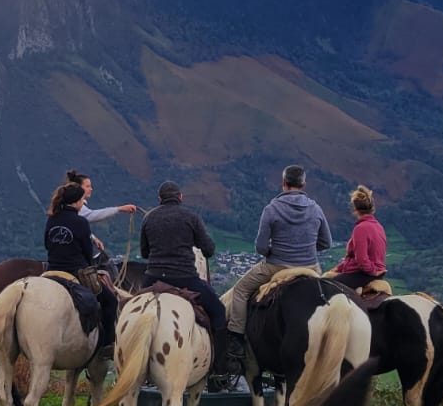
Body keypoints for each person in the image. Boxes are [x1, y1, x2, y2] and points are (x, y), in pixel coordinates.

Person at [224, 165, 333, 358]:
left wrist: (275, 251)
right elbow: (326, 242)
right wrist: (305, 249)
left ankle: (236, 339)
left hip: (276, 266)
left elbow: (260, 247)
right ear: (303, 184)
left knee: (240, 291)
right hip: (310, 267)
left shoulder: (272, 209)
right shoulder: (316, 209)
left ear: (284, 183)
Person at [137, 181, 227, 387]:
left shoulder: (149, 218)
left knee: (127, 309)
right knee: (219, 312)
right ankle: (220, 370)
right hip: (185, 278)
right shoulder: (191, 217)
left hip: (153, 278)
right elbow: (209, 250)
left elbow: (144, 253)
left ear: (159, 199)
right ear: (181, 197)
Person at [44, 182, 118, 349]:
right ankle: (107, 344)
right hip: (75, 271)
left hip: (51, 270)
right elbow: (87, 251)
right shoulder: (80, 222)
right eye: (82, 200)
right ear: (77, 202)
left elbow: (47, 244)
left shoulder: (52, 219)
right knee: (110, 301)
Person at [61, 169, 137, 264]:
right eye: (88, 186)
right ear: (78, 189)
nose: (91, 189)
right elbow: (91, 215)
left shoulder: (60, 210)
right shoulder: (76, 210)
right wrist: (119, 209)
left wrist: (92, 238)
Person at [329, 185, 386, 291]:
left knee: (328, 286)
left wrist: (373, 271)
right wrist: (338, 268)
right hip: (375, 272)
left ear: (355, 209)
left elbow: (361, 260)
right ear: (372, 208)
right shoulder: (379, 226)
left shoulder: (360, 229)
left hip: (364, 274)